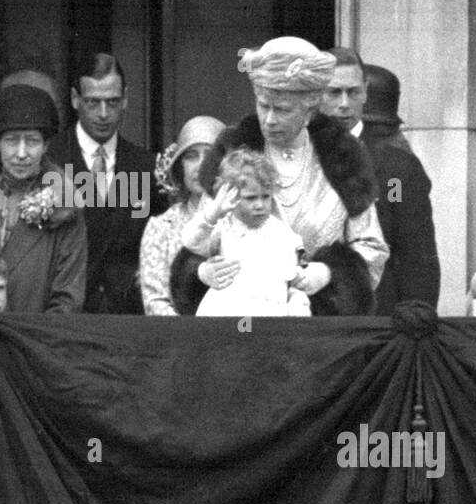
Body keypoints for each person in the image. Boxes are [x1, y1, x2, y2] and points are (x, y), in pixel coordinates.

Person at [170, 36, 388, 316]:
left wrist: (328, 273)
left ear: (310, 110)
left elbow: (372, 248)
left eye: (282, 109)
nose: (269, 119)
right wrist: (202, 272)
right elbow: (196, 240)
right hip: (241, 322)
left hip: (318, 326)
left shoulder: (343, 157)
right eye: (263, 106)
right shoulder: (231, 152)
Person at [47, 53, 166, 313]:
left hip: (129, 319)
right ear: (75, 99)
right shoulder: (50, 160)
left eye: (112, 102)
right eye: (93, 102)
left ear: (126, 99)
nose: (103, 114)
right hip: (66, 317)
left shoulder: (147, 166)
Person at [323, 51, 440, 313]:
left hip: (375, 315)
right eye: (333, 92)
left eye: (353, 92)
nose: (344, 103)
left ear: (365, 92)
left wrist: (417, 318)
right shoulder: (298, 155)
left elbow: (416, 257)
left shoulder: (396, 169)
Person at [0, 85, 87, 313]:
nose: (22, 153)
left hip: (36, 339)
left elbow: (68, 299)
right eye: (12, 140)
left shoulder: (66, 209)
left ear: (45, 145)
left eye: (32, 141)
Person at [181, 149, 310, 317]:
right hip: (228, 313)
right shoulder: (223, 226)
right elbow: (190, 241)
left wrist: (298, 302)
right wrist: (213, 213)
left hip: (270, 316)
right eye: (251, 198)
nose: (260, 205)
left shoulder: (281, 233)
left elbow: (294, 278)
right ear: (230, 195)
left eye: (266, 197)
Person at [139, 115, 226, 315]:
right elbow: (155, 302)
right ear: (180, 166)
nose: (201, 165)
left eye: (210, 155)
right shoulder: (161, 227)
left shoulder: (244, 219)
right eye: (191, 156)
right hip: (177, 339)